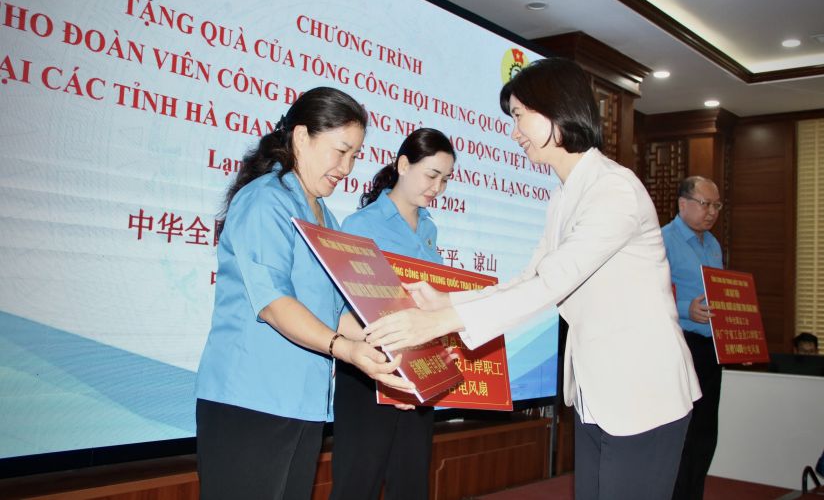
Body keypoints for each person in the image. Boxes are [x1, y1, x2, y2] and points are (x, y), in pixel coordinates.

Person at [364, 57, 701, 500]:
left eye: (521, 115)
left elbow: (551, 284)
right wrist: (447, 303)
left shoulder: (614, 190)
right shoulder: (564, 196)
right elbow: (530, 278)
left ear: (557, 108)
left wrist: (439, 323)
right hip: (599, 392)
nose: (514, 130)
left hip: (644, 390)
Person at [195, 87, 414, 500]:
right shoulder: (266, 201)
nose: (347, 167)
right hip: (249, 403)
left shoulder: (326, 219)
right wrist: (344, 349)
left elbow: (337, 315)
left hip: (301, 405)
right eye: (340, 151)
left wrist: (398, 367)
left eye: (355, 156)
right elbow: (276, 305)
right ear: (300, 137)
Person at [330, 128, 456, 500]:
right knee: (358, 482)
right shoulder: (361, 226)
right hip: (369, 371)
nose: (437, 187)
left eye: (445, 180)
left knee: (411, 482)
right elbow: (342, 309)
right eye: (431, 175)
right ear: (403, 165)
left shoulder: (429, 229)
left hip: (419, 371)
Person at [661, 176, 723, 500]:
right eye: (705, 204)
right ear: (683, 203)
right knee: (681, 433)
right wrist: (687, 309)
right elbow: (648, 295)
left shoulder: (713, 244)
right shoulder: (661, 241)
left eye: (716, 205)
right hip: (681, 345)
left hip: (712, 349)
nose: (711, 212)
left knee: (705, 433)